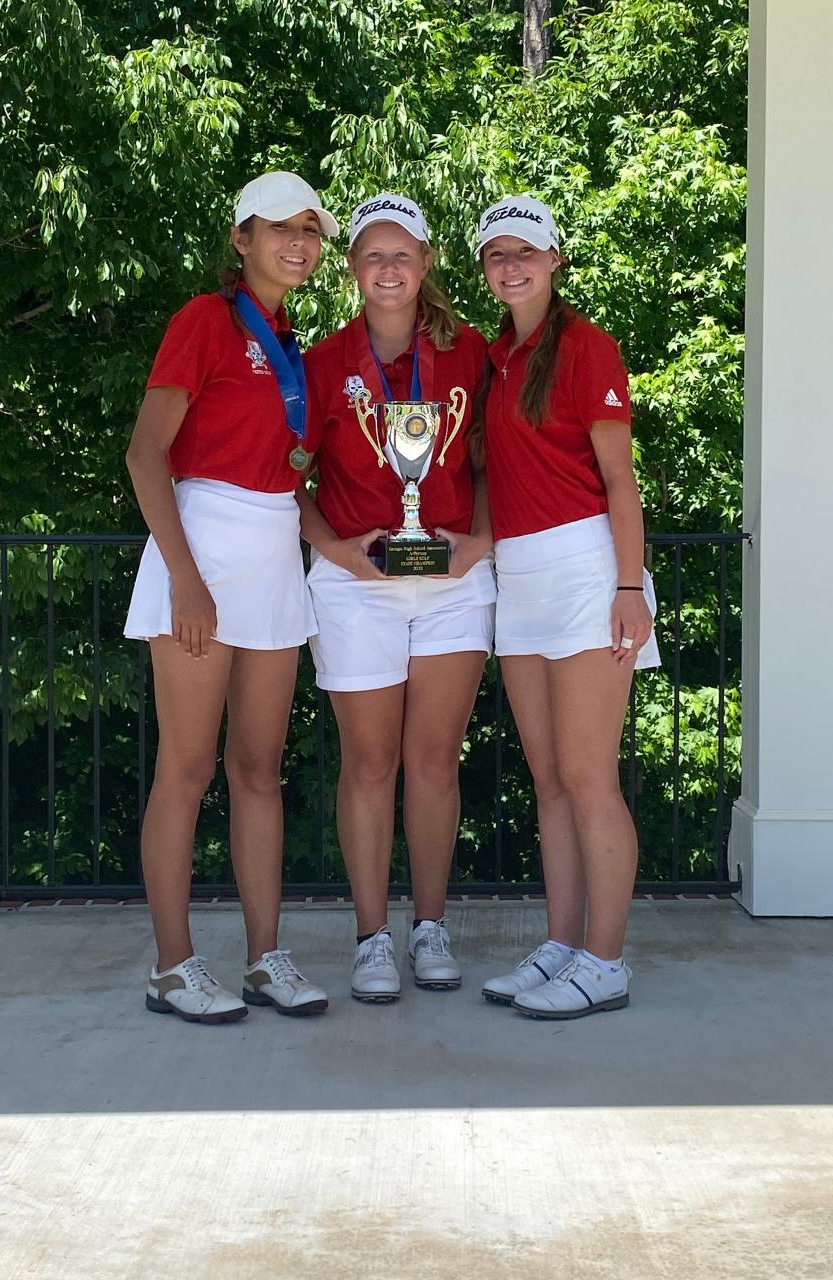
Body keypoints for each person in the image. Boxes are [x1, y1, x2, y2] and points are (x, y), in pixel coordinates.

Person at [124, 171, 338, 1023]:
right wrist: (185, 576)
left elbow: (294, 479)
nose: (298, 243)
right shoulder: (203, 321)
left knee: (257, 770)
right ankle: (172, 967)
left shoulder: (292, 340)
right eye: (278, 227)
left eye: (311, 230)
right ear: (240, 238)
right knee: (186, 768)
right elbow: (146, 458)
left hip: (275, 556)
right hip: (201, 551)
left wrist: (344, 550)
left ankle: (264, 958)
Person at [298, 193, 494, 1002]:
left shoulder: (471, 352)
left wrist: (479, 544)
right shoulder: (318, 361)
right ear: (351, 267)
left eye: (402, 254)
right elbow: (289, 478)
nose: (388, 268)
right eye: (372, 255)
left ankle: (431, 926)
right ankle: (373, 937)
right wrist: (334, 549)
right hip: (357, 584)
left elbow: (489, 463)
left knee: (433, 763)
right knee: (370, 764)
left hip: (451, 582)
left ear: (426, 263)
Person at [473, 195, 660, 1020]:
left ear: (555, 261)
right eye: (495, 255)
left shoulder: (588, 348)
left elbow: (621, 481)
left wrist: (629, 586)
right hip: (519, 575)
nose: (510, 266)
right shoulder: (492, 357)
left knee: (588, 776)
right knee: (549, 780)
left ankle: (607, 960)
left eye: (525, 252)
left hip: (588, 570)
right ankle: (562, 946)